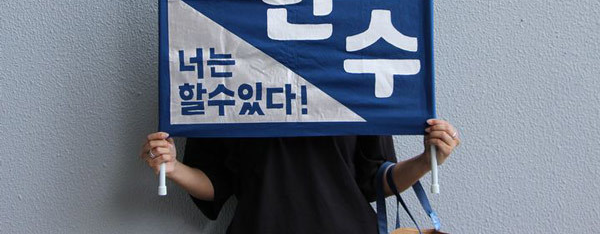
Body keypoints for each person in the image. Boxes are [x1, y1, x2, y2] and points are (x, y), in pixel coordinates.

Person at [140, 119, 459, 233]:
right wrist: (173, 167)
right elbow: (216, 183)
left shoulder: (351, 73)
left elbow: (375, 179)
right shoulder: (231, 76)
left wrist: (427, 160)